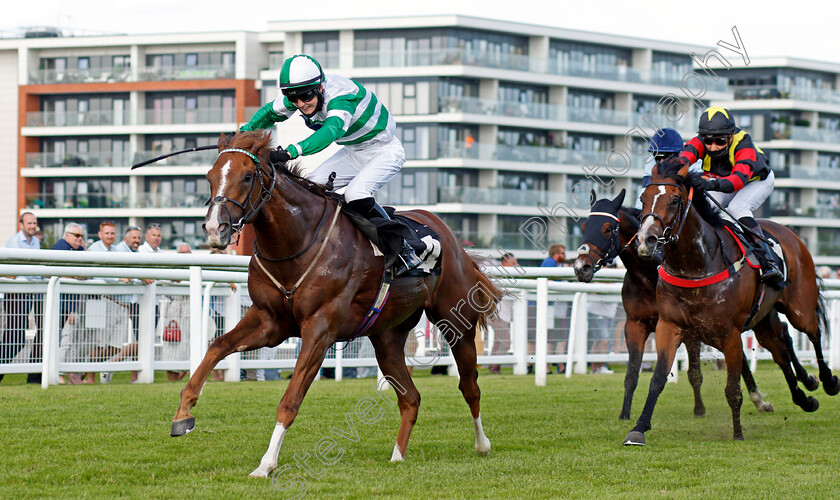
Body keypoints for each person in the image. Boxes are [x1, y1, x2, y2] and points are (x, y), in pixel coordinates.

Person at [239, 54, 421, 274]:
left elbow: (331, 131)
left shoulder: (341, 96)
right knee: (310, 187)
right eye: (292, 98)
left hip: (384, 150)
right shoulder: (301, 93)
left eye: (305, 97)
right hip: (354, 151)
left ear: (320, 88)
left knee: (356, 193)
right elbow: (269, 113)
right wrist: (243, 132)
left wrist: (290, 151)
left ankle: (403, 248)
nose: (300, 104)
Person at [662, 106, 782, 284]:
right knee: (703, 209)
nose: (713, 147)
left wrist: (709, 184)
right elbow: (685, 157)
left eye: (719, 141)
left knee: (737, 208)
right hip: (725, 180)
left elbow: (738, 181)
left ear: (731, 136)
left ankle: (769, 260)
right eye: (708, 141)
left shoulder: (744, 145)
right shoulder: (701, 141)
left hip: (755, 181)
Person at [91, 226, 143, 384]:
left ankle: (104, 368)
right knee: (99, 344)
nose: (137, 241)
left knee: (115, 346)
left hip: (123, 304)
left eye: (112, 233)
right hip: (108, 301)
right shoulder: (117, 250)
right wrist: (122, 278)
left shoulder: (125, 251)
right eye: (134, 238)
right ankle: (90, 376)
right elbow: (105, 272)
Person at [0, 212, 43, 384]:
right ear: (21, 225)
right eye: (29, 223)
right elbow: (11, 270)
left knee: (16, 336)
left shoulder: (36, 242)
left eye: (34, 223)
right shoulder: (14, 242)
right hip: (16, 293)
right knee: (14, 336)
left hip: (30, 293)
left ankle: (5, 371)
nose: (33, 226)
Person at [53, 223, 86, 385]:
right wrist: (76, 275)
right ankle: (57, 373)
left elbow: (86, 273)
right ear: (66, 235)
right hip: (59, 303)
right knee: (62, 340)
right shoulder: (60, 247)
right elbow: (59, 273)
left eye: (81, 236)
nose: (80, 239)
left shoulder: (78, 250)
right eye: (76, 235)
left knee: (70, 340)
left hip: (71, 303)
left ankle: (66, 372)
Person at [489, 253, 517, 374]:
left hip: (500, 314)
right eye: (513, 262)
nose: (516, 265)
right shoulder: (501, 276)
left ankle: (492, 365)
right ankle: (494, 366)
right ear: (504, 263)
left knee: (498, 342)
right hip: (499, 315)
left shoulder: (507, 276)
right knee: (505, 343)